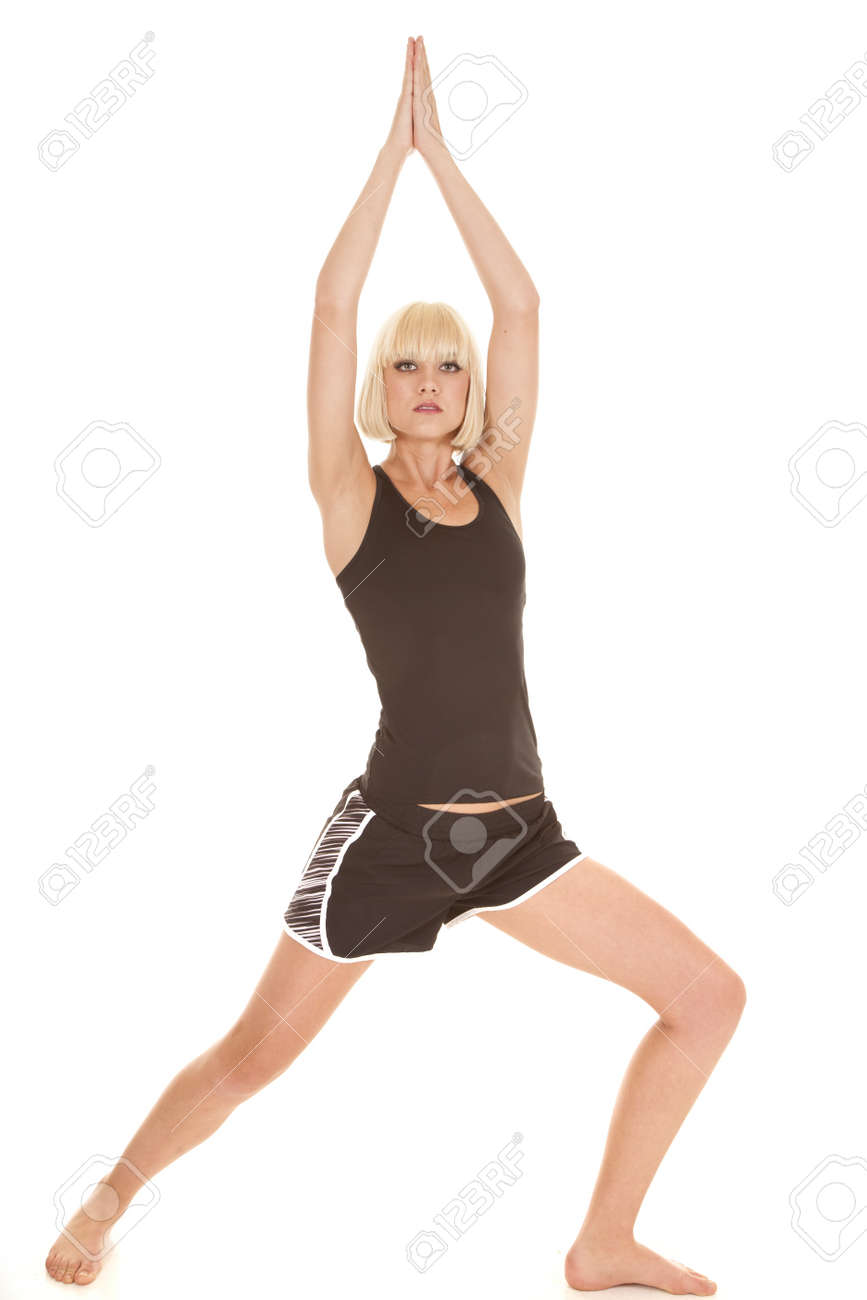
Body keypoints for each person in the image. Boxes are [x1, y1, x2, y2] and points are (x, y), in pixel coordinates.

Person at [45, 36, 744, 1294]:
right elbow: (327, 305)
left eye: (450, 361)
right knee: (255, 1055)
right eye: (409, 362)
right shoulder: (349, 501)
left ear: (474, 388)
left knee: (708, 996)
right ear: (383, 385)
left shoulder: (504, 483)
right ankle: (108, 1199)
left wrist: (449, 158)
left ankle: (602, 1241)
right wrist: (389, 157)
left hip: (520, 837)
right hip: (396, 835)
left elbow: (524, 307)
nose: (430, 377)